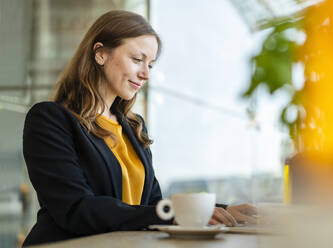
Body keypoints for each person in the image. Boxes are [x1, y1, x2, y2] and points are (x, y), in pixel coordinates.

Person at [22, 10, 257, 247]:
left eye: (151, 65)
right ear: (100, 53)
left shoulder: (133, 127)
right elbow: (76, 208)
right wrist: (169, 213)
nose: (145, 74)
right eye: (137, 59)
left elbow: (150, 205)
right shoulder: (50, 119)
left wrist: (218, 211)